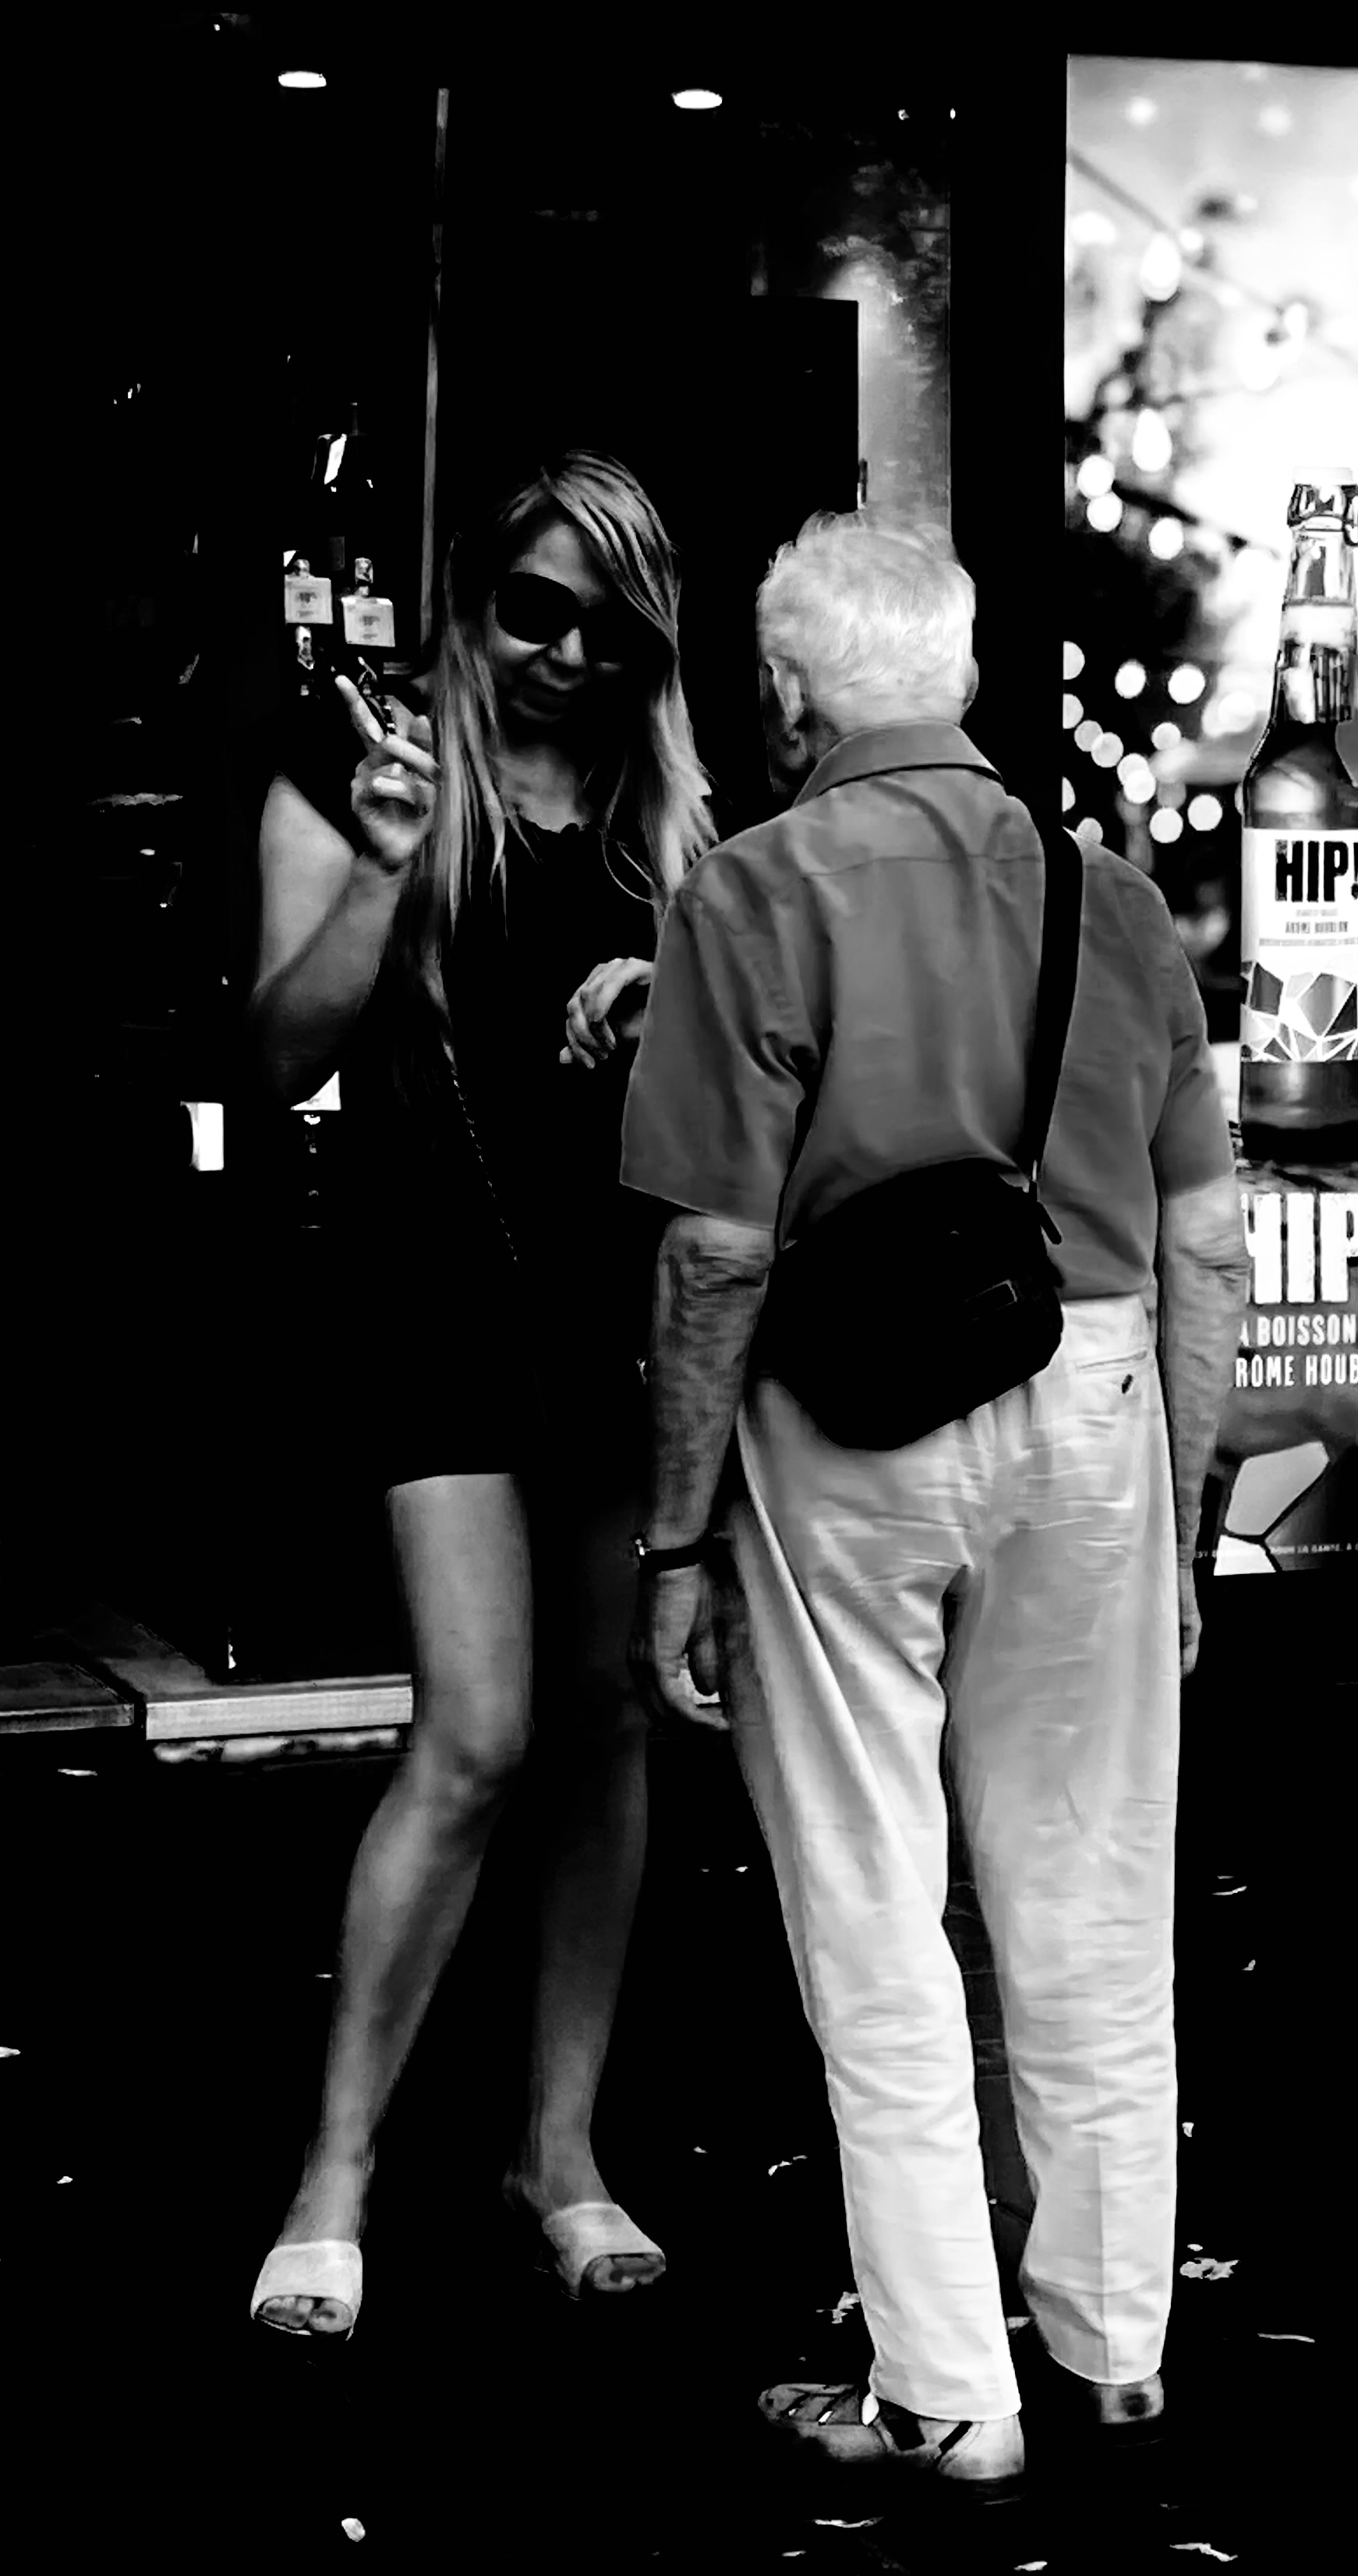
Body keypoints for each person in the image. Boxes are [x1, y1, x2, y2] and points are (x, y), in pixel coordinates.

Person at [621, 513, 1250, 2500]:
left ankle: (947, 2394)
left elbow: (715, 1252)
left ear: (787, 694)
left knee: (873, 1900)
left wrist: (673, 1536)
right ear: (965, 676)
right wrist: (1180, 1515)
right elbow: (1206, 1238)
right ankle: (1115, 2346)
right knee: (1093, 1892)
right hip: (1096, 1391)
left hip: (850, 1413)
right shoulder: (1114, 898)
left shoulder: (749, 889)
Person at [246, 450, 716, 2337]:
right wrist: (381, 863)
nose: (566, 655)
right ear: (470, 598)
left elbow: (743, 1080)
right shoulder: (370, 767)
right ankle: (334, 2170)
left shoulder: (667, 816)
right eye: (534, 610)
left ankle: (558, 2152)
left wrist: (663, 997)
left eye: (609, 630)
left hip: (612, 1306)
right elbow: (282, 1045)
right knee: (480, 1725)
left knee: (608, 1723)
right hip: (432, 1300)